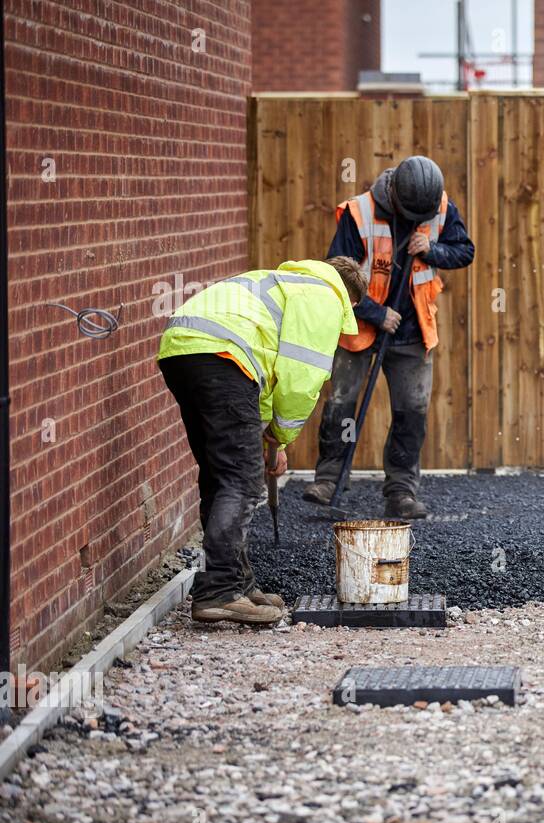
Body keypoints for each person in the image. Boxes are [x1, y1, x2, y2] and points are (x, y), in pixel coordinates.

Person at [157, 257, 367, 624]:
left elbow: (266, 381)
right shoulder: (325, 300)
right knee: (241, 481)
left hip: (183, 351)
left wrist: (272, 443)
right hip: (223, 357)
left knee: (220, 476)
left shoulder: (284, 283)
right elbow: (300, 379)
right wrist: (283, 436)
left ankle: (237, 583)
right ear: (349, 302)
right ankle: (218, 591)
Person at [301, 156, 475, 519]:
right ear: (394, 196)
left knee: (411, 413)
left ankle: (401, 492)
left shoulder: (439, 206)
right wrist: (377, 313)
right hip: (361, 327)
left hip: (414, 331)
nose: (417, 221)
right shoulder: (360, 212)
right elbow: (337, 272)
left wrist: (432, 249)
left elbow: (465, 252)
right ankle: (329, 480)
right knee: (341, 405)